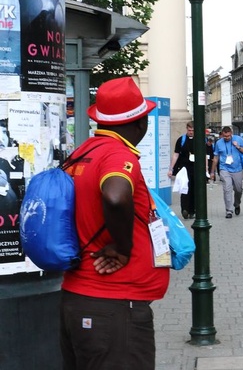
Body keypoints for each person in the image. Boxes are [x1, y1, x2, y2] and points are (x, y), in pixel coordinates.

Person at [60, 77, 170, 369]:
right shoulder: (117, 154)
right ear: (140, 122)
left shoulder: (81, 153)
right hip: (114, 306)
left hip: (80, 298)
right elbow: (115, 196)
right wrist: (123, 247)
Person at [211, 126, 243, 219]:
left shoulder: (238, 139)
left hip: (237, 169)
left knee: (238, 189)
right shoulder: (219, 143)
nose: (227, 138)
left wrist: (238, 147)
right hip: (224, 169)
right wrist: (212, 172)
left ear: (231, 134)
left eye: (228, 136)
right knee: (227, 189)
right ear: (222, 135)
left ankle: (237, 203)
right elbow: (215, 158)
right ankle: (229, 210)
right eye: (225, 136)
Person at [168, 121, 196, 219]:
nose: (191, 132)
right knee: (184, 188)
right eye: (189, 130)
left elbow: (204, 156)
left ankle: (193, 210)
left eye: (193, 130)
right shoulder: (181, 140)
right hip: (184, 168)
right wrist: (171, 168)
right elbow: (176, 154)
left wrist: (206, 169)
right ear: (186, 129)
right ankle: (185, 209)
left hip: (195, 168)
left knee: (194, 189)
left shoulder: (199, 140)